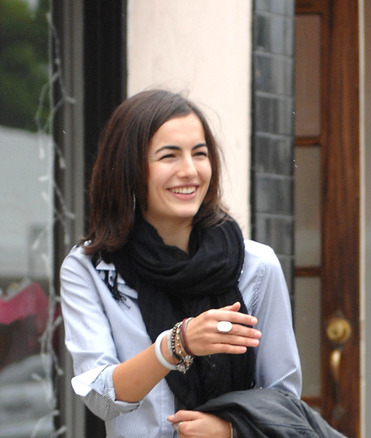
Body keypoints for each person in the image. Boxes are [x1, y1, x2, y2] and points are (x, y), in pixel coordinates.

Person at [60, 89, 302, 437]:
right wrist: (176, 344)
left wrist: (230, 431)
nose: (189, 171)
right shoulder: (91, 270)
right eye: (168, 156)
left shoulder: (256, 266)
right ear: (130, 167)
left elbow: (285, 402)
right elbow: (101, 400)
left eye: (199, 154)